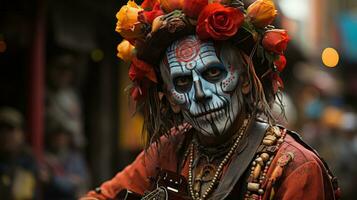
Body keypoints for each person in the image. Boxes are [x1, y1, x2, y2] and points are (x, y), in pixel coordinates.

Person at [82, 0, 340, 199]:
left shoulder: (295, 168)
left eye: (213, 73)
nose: (201, 93)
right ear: (171, 98)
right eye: (182, 82)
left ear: (246, 82)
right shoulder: (171, 150)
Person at [0, 107, 38, 199]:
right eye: (1, 129)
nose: (5, 135)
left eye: (10, 130)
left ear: (22, 134)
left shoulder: (27, 161)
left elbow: (22, 195)